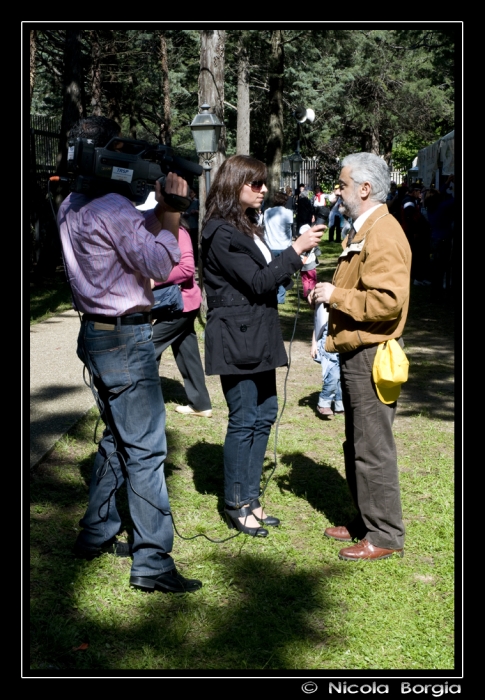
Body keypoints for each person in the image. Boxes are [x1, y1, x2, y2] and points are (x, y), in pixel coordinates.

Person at [57, 116, 202, 594]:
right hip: (125, 339)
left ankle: (96, 532)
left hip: (94, 336)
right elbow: (162, 264)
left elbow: (128, 236)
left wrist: (156, 209)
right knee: (146, 451)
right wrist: (174, 212)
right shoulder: (114, 208)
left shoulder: (72, 205)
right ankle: (153, 563)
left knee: (118, 439)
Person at [201, 155, 324, 537]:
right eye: (256, 184)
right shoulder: (219, 231)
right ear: (233, 184)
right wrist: (296, 250)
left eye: (264, 183)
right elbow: (257, 282)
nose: (264, 189)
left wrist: (291, 256)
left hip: (256, 333)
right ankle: (236, 503)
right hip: (237, 336)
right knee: (244, 418)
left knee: (265, 411)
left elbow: (263, 278)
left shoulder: (244, 224)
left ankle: (251, 498)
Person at [310, 151, 412, 561]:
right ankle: (366, 520)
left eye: (342, 184)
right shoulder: (364, 229)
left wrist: (337, 296)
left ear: (365, 189)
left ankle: (385, 534)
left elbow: (388, 301)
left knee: (373, 447)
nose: (338, 190)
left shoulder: (385, 232)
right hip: (358, 350)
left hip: (373, 354)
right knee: (358, 442)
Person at [151, 224, 212, 417]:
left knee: (145, 349)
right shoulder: (154, 230)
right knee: (187, 352)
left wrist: (152, 280)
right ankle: (201, 404)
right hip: (180, 304)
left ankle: (147, 406)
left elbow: (186, 268)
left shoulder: (177, 231)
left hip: (180, 305)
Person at [311, 302, 344, 418]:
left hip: (342, 348)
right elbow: (318, 325)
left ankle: (340, 405)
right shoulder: (326, 308)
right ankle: (323, 403)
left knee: (341, 377)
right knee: (334, 375)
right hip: (328, 349)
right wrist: (314, 344)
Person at [263, 191, 294, 303]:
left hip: (270, 245)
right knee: (282, 273)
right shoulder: (288, 213)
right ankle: (280, 296)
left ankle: (273, 293)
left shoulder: (267, 212)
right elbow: (290, 227)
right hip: (283, 245)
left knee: (272, 272)